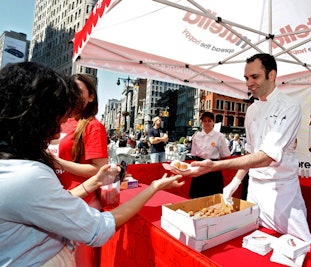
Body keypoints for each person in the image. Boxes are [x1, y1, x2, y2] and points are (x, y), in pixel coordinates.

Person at [0, 62, 184, 266]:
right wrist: (154, 187)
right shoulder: (28, 176)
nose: (59, 128)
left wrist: (94, 181)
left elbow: (49, 200)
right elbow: (99, 228)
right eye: (56, 115)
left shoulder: (22, 168)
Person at [173, 53, 311, 245]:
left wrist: (215, 166)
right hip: (254, 189)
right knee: (257, 244)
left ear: (271, 75)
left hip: (281, 191)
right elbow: (251, 151)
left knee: (300, 247)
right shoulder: (251, 110)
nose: (249, 83)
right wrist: (235, 182)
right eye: (246, 78)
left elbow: (266, 157)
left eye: (254, 77)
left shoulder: (290, 107)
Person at [51, 73, 108, 266]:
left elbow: (98, 170)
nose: (74, 94)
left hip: (81, 207)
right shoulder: (60, 122)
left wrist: (58, 162)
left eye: (80, 91)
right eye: (71, 90)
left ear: (91, 96)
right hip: (55, 202)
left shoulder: (93, 126)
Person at [189, 111, 231, 198]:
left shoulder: (220, 136)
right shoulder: (197, 136)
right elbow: (193, 153)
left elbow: (225, 154)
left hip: (213, 168)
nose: (207, 123)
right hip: (199, 167)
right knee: (197, 196)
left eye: (209, 120)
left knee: (214, 196)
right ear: (201, 122)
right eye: (204, 121)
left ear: (213, 122)